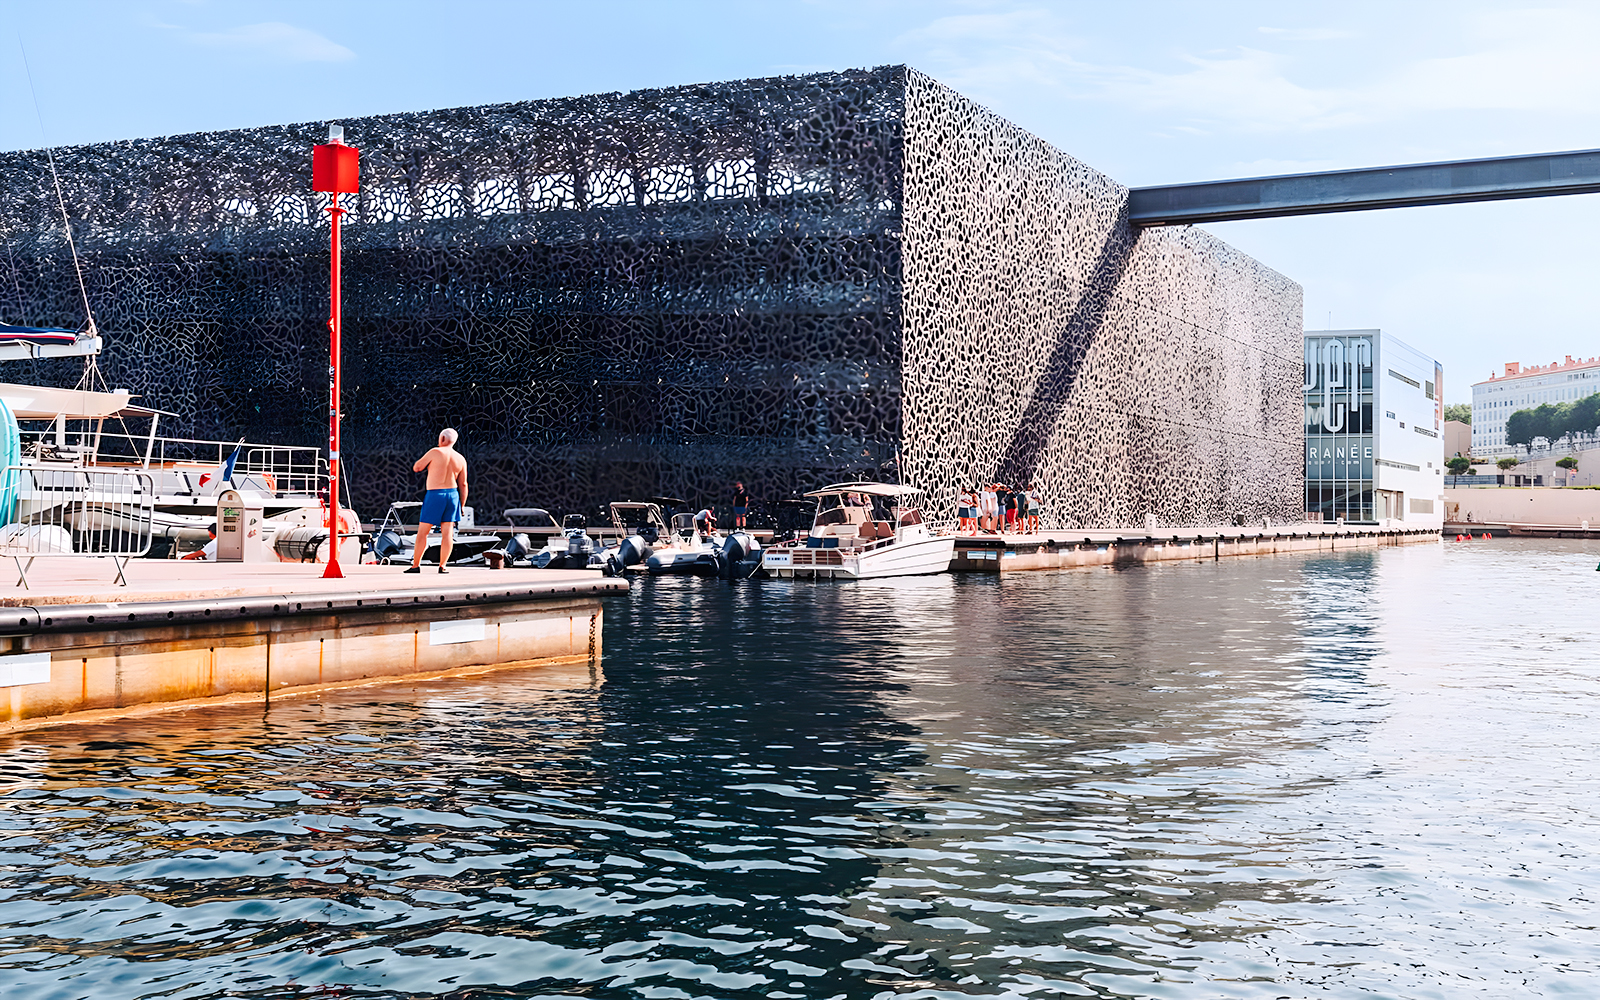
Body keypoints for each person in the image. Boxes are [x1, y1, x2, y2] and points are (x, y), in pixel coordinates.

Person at [408, 427, 469, 574]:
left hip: (435, 494)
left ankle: (416, 565)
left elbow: (417, 467)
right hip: (453, 495)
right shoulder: (460, 458)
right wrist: (462, 504)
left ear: (442, 439)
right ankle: (443, 566)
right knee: (447, 533)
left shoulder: (435, 452)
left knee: (423, 532)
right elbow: (464, 484)